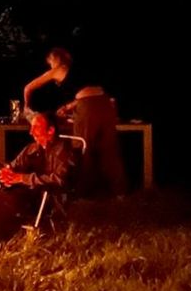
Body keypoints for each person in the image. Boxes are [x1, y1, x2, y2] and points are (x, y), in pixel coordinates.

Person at [22, 47, 126, 196]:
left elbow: (28, 88)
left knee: (82, 147)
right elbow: (88, 93)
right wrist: (68, 106)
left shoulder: (59, 69)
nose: (50, 67)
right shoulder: (80, 70)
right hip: (105, 105)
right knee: (109, 147)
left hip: (88, 107)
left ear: (55, 59)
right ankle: (119, 193)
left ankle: (81, 193)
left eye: (50, 63)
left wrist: (26, 107)